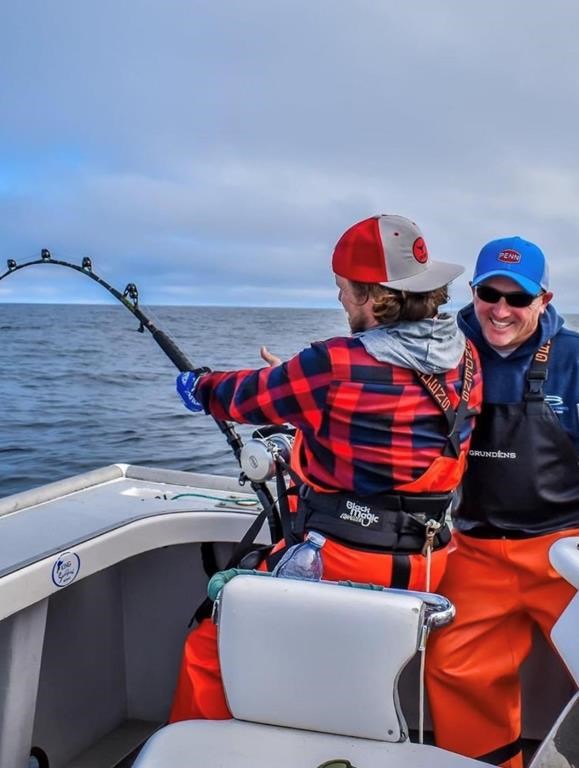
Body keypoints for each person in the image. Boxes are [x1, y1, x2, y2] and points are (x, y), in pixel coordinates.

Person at [169, 214, 483, 721]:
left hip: (348, 563)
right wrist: (303, 387)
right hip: (428, 560)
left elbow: (242, 398)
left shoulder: (333, 366)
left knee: (210, 649)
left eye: (343, 289)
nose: (339, 299)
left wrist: (199, 387)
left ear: (371, 296)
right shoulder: (464, 356)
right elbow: (394, 429)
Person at [426, 236, 579, 768]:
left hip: (564, 549)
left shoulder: (574, 357)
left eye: (519, 298)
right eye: (489, 293)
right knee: (451, 664)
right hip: (475, 546)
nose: (501, 310)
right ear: (471, 292)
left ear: (545, 299)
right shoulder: (442, 349)